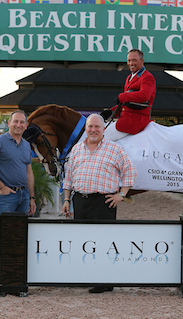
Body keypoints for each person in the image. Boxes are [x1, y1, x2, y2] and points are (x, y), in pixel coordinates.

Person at [62, 114, 137, 293]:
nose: (93, 130)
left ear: (103, 129)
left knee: (103, 242)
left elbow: (130, 172)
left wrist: (121, 194)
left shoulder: (114, 149)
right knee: (82, 241)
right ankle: (85, 276)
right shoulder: (77, 149)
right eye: (90, 126)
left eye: (97, 127)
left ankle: (104, 281)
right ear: (86, 128)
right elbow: (69, 177)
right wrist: (66, 199)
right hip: (80, 200)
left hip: (103, 202)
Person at [0, 110, 36, 284]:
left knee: (18, 237)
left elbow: (29, 172)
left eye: (22, 123)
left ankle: (12, 278)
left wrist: (32, 197)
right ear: (9, 123)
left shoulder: (27, 145)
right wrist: (1, 187)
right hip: (6, 196)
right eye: (15, 122)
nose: (19, 125)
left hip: (23, 195)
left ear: (26, 126)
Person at [104, 49, 156, 141]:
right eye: (129, 60)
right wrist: (111, 112)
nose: (131, 63)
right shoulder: (129, 77)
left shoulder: (147, 77)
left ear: (142, 61)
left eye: (134, 60)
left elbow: (145, 96)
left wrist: (122, 96)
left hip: (135, 120)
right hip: (126, 118)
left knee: (101, 138)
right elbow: (126, 103)